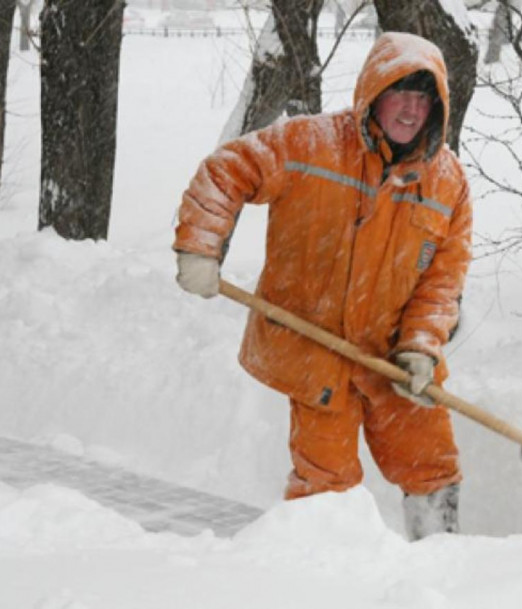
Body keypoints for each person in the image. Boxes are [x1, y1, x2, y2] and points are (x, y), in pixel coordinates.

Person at [172, 32, 472, 541]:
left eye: (424, 98)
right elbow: (226, 171)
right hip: (315, 348)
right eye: (400, 92)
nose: (409, 109)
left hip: (392, 355)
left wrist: (421, 348)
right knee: (326, 483)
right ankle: (322, 579)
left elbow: (442, 280)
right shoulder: (310, 144)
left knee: (430, 462)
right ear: (374, 92)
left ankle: (439, 565)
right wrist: (200, 247)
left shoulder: (447, 183)